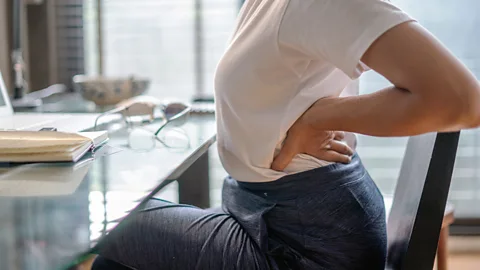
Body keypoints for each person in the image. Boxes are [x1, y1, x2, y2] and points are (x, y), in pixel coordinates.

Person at [91, 0, 480, 269]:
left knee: (101, 225)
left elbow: (463, 101)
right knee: (117, 256)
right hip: (270, 217)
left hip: (304, 245)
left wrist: (320, 118)